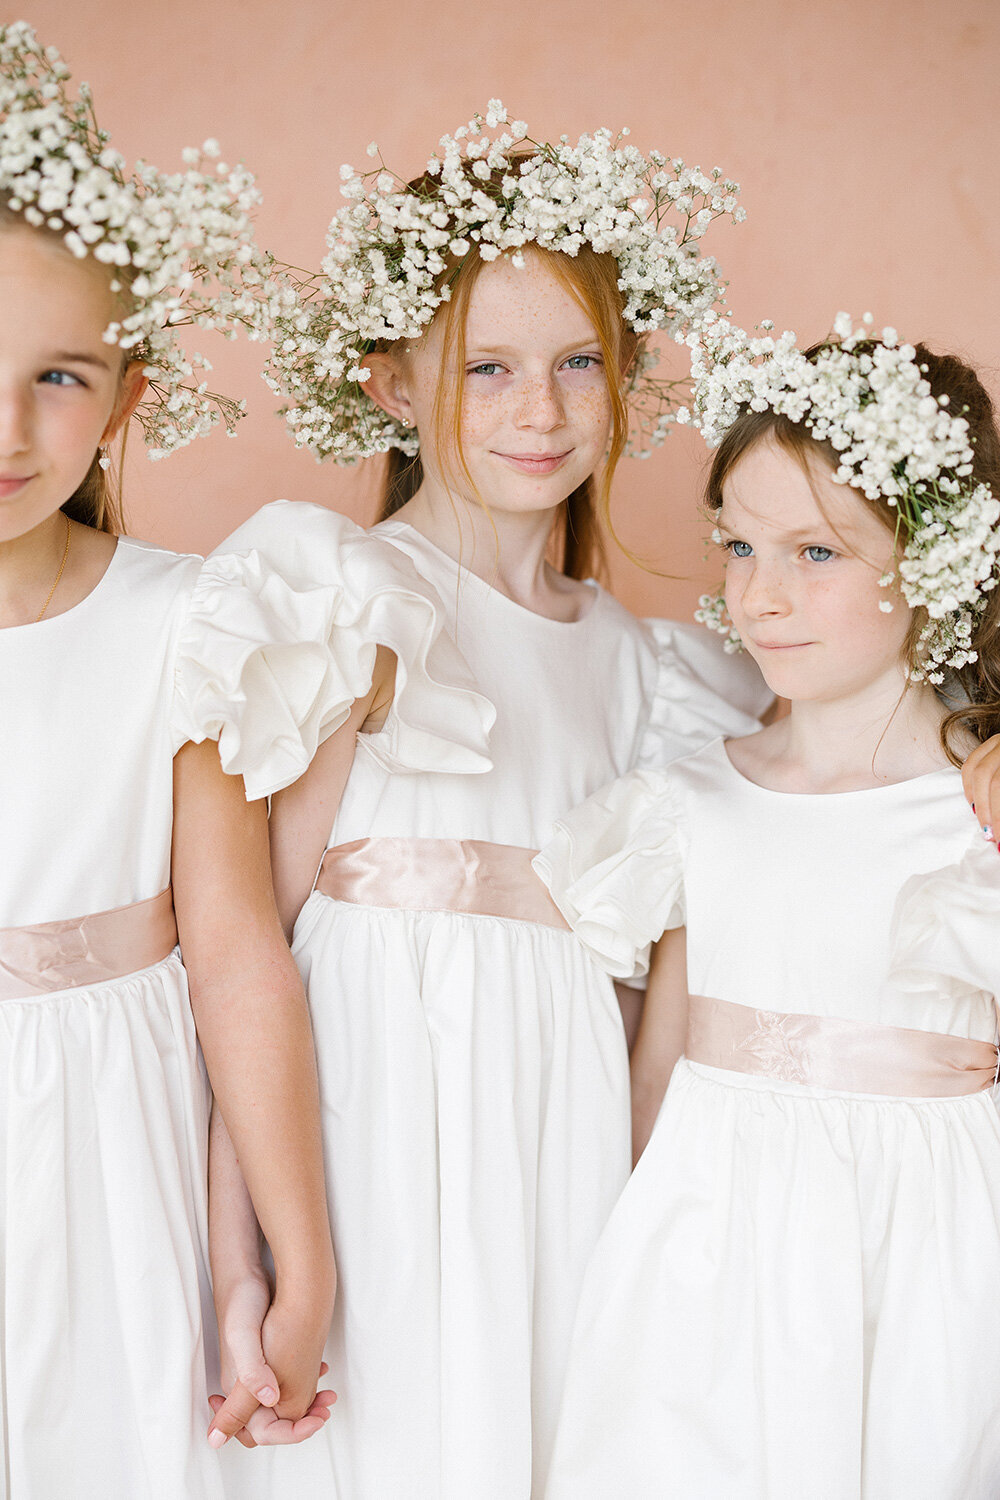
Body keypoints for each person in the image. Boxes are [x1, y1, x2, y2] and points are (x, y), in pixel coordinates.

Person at [206, 106, 769, 1497]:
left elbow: (658, 996)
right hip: (369, 1138)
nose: (542, 409)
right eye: (490, 366)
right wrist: (246, 1255)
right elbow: (240, 962)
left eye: (581, 362)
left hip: (565, 1148)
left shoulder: (653, 675)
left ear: (630, 368)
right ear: (398, 383)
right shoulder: (344, 599)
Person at [536, 317, 1000, 1499]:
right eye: (739, 548)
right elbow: (661, 1057)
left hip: (925, 1255)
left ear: (933, 555)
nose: (760, 596)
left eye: (815, 553)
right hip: (705, 1244)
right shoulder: (696, 793)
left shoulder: (974, 812)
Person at [0, 26, 335, 1496]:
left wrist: (289, 1256)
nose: (10, 427)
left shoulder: (185, 618)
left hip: (110, 1149)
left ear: (129, 394)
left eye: (60, 375)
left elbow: (237, 954)